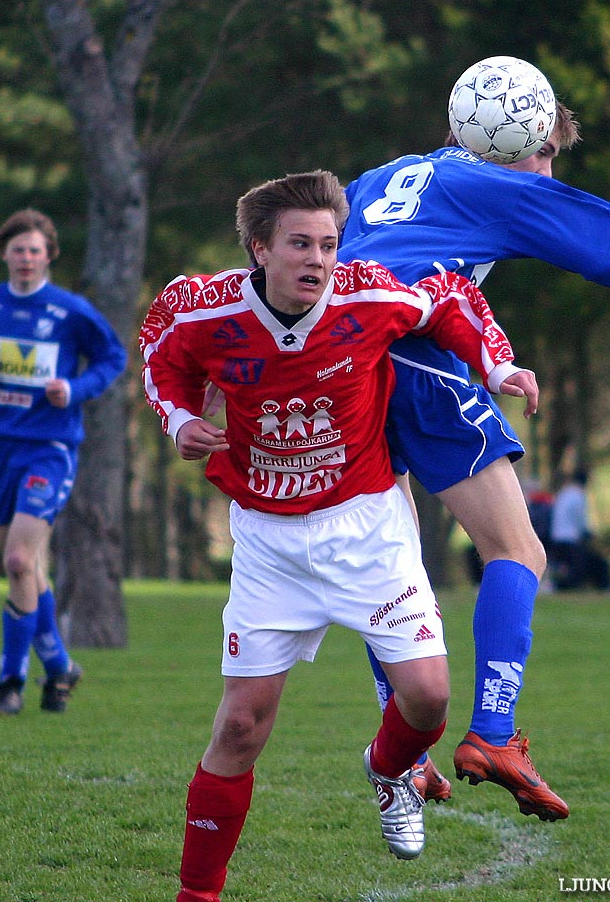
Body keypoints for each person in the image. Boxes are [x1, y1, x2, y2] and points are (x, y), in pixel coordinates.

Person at [338, 80, 610, 822]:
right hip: (417, 363)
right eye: (549, 159)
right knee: (518, 553)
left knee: (394, 570)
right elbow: (608, 242)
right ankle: (494, 734)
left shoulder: (379, 180)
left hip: (345, 368)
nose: (550, 176)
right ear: (524, 147)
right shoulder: (492, 183)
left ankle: (406, 753)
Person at [138, 170, 539, 902]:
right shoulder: (201, 307)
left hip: (367, 526)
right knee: (239, 729)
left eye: (328, 242)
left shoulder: (367, 293)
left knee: (427, 700)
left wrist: (497, 362)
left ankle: (390, 772)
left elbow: (448, 299)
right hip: (268, 542)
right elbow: (162, 357)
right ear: (260, 249)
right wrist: (180, 419)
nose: (318, 259)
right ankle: (196, 896)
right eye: (300, 244)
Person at [0, 208, 127, 715]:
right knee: (27, 572)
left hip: (50, 448)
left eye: (35, 250)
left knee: (19, 561)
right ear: (3, 252)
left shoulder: (69, 310)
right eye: (17, 249)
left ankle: (10, 682)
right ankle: (61, 667)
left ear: (49, 255)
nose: (26, 258)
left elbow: (112, 357)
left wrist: (73, 388)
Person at [549, 468, 610, 590]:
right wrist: (589, 533)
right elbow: (581, 520)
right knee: (578, 567)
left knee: (565, 567)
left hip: (556, 537)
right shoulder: (578, 496)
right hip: (570, 538)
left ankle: (560, 586)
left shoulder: (564, 493)